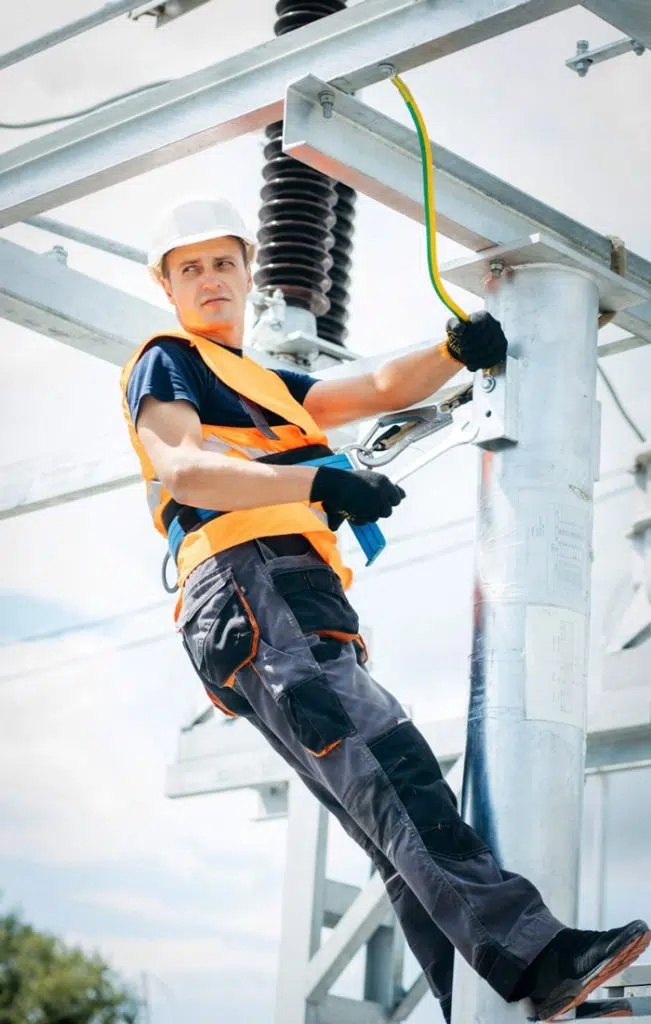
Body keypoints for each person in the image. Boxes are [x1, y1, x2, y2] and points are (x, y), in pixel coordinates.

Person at [120, 196, 649, 1022]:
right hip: (250, 580)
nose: (210, 279)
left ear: (249, 273)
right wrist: (319, 481)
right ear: (168, 286)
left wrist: (450, 351)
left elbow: (367, 386)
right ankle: (536, 958)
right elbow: (182, 469)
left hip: (285, 593)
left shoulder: (257, 382)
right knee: (391, 768)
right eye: (190, 268)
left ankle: (482, 998)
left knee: (381, 811)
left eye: (223, 262)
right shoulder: (167, 361)